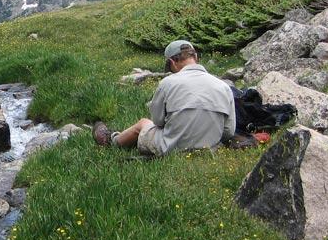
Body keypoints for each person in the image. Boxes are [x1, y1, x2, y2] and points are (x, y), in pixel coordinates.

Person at [93, 40, 235, 157]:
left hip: (172, 148)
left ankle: (112, 140)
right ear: (196, 57)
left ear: (172, 62)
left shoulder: (168, 83)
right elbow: (228, 131)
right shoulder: (223, 87)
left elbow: (157, 121)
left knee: (144, 123)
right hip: (209, 149)